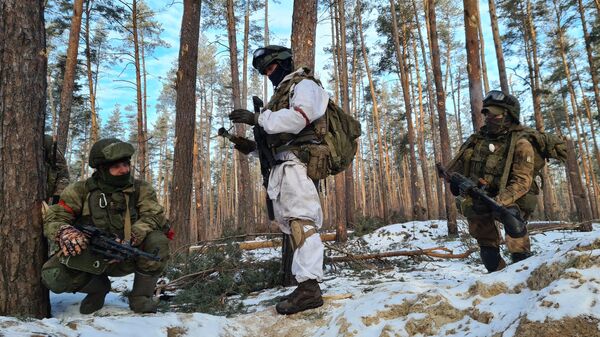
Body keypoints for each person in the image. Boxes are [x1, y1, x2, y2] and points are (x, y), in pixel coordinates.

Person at [228, 45, 328, 314]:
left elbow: (297, 120)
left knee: (302, 222)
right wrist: (251, 146)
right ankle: (305, 284)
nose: (268, 74)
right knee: (294, 223)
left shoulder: (304, 85)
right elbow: (277, 138)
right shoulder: (281, 94)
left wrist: (257, 118)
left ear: (283, 63)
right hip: (284, 165)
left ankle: (309, 289)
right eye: (265, 71)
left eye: (271, 68)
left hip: (298, 164)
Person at [41, 138, 170, 314]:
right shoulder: (80, 190)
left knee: (158, 240)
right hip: (88, 258)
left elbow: (154, 215)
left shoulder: (141, 189)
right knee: (52, 275)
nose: (124, 170)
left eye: (126, 164)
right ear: (101, 169)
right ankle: (98, 288)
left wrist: (133, 236)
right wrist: (65, 231)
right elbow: (55, 217)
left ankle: (141, 298)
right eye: (116, 166)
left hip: (128, 255)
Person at [446, 90, 536, 273]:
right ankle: (497, 276)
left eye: (495, 114)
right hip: (480, 195)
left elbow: (522, 181)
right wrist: (456, 182)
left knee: (513, 221)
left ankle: (523, 272)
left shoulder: (521, 143)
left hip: (511, 198)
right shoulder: (476, 141)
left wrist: (499, 201)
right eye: (487, 113)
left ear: (509, 116)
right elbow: (456, 169)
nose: (489, 117)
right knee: (484, 237)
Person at [43, 134, 70, 204]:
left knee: (57, 205)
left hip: (60, 177)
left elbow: (60, 166)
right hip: (50, 177)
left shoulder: (47, 141)